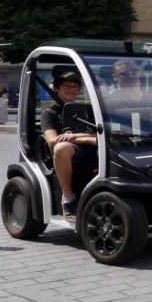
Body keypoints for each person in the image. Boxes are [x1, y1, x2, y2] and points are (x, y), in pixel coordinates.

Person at [40, 71, 97, 219]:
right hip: (72, 153)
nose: (71, 89)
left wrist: (76, 136)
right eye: (66, 86)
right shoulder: (50, 113)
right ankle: (68, 198)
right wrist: (86, 139)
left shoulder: (89, 110)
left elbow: (100, 134)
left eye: (75, 86)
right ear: (57, 88)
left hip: (94, 148)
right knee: (61, 147)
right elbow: (52, 141)